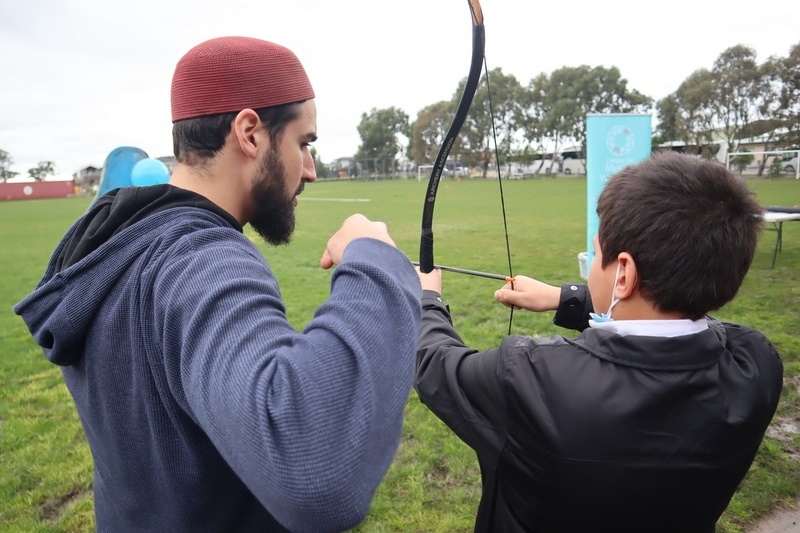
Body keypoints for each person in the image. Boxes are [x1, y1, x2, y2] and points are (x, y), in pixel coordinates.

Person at [14, 36, 421, 532]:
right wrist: (375, 263)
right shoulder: (201, 258)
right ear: (250, 133)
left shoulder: (118, 238)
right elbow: (317, 467)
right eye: (304, 143)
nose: (310, 170)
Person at [415, 151, 783, 533]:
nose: (593, 263)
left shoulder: (533, 379)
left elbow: (435, 363)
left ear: (623, 272)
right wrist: (565, 298)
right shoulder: (756, 365)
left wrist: (427, 298)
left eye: (596, 253)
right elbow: (681, 317)